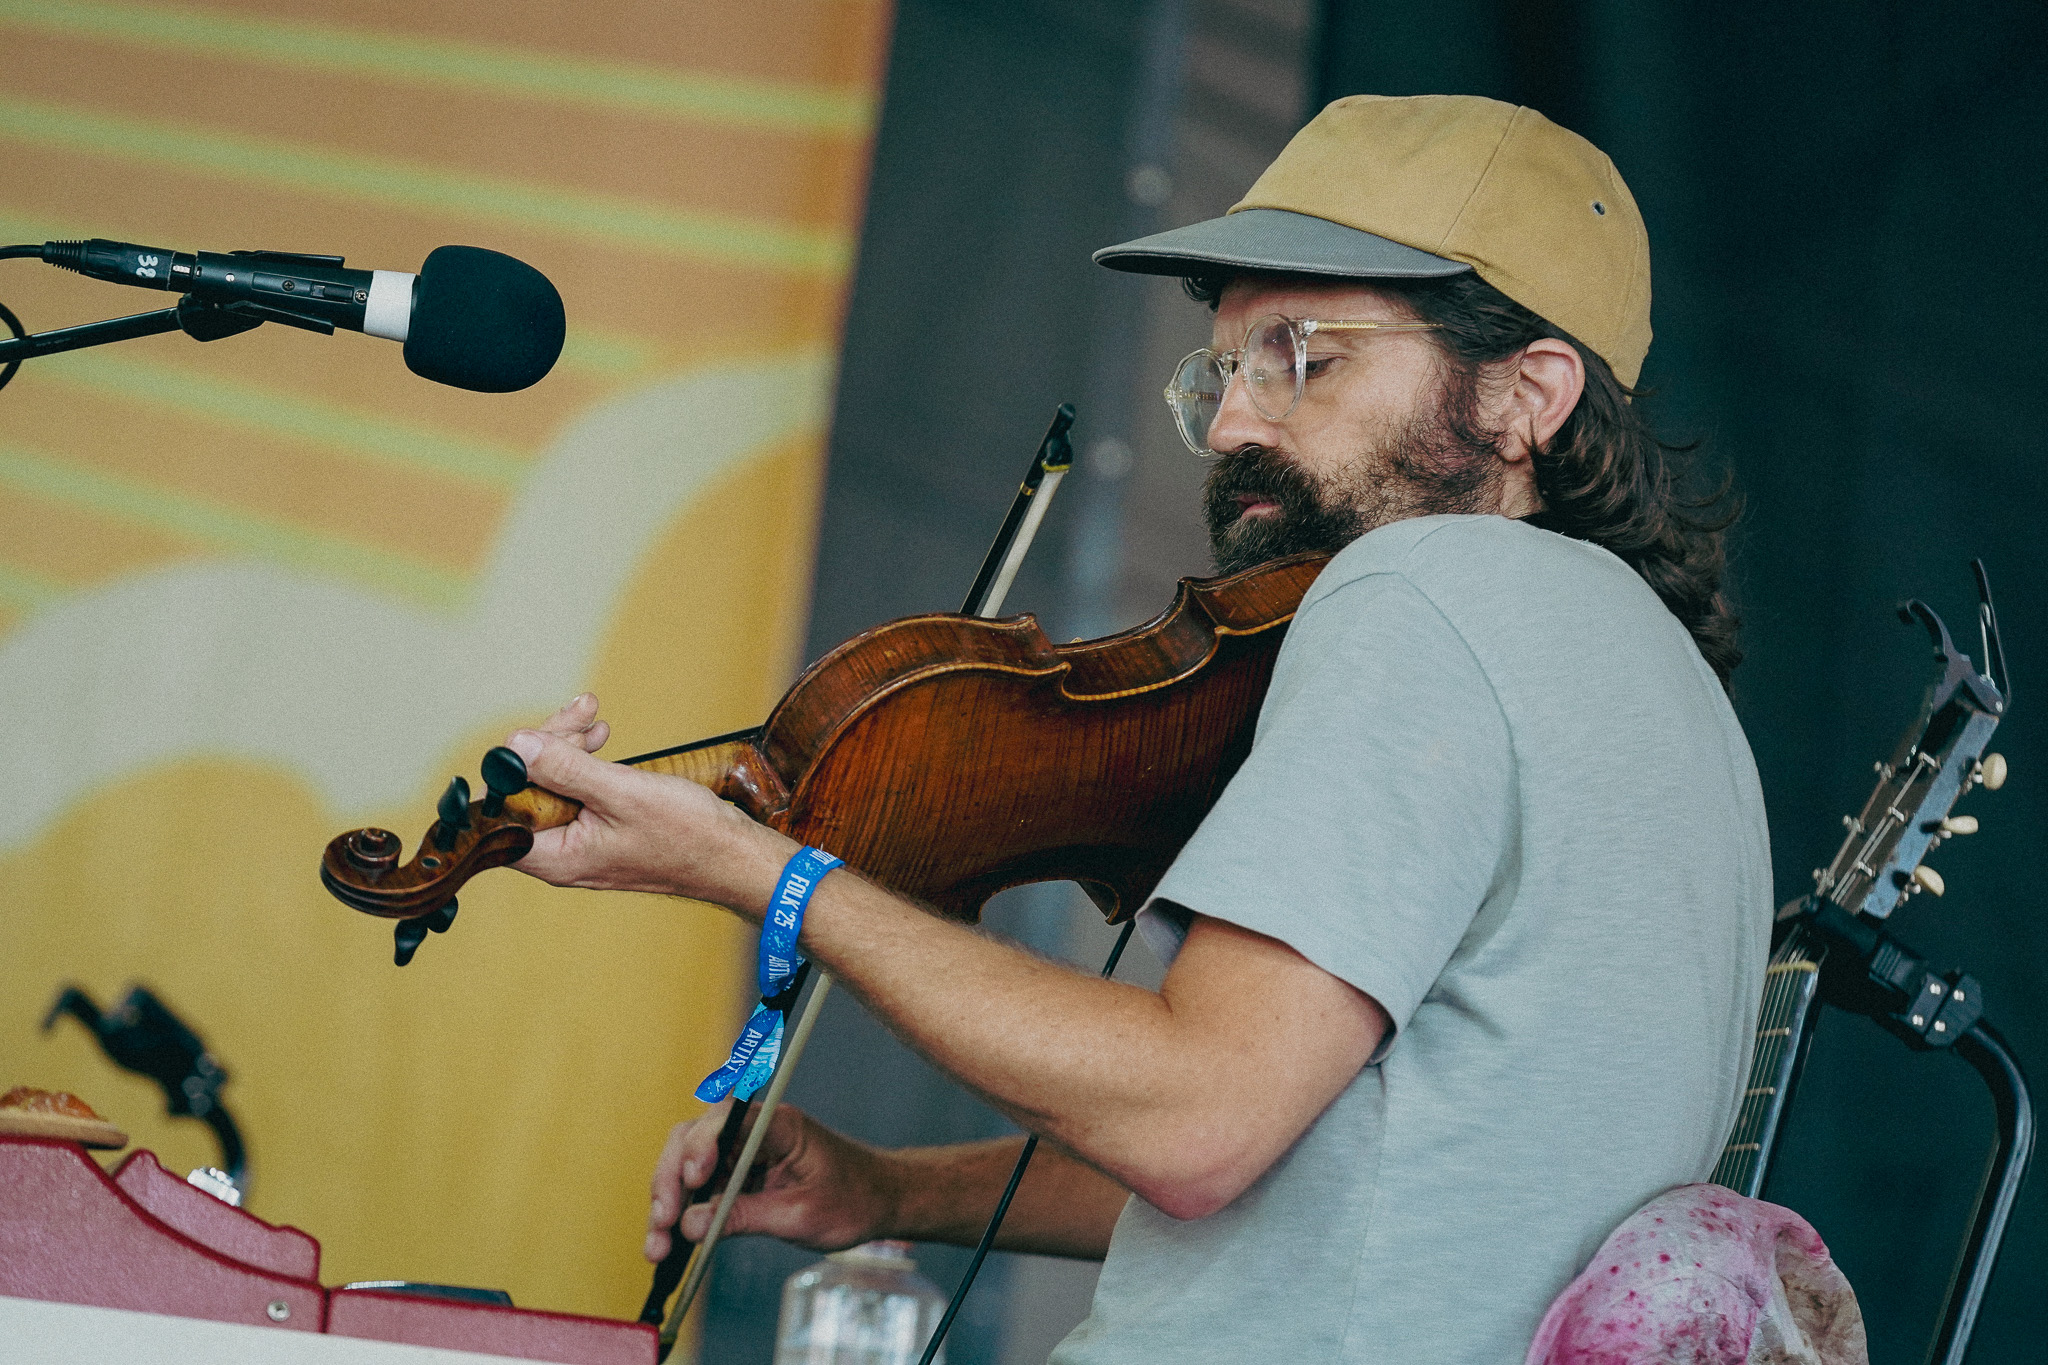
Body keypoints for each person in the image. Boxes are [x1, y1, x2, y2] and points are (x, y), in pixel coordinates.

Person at [502, 95, 1770, 1361]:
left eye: (1302, 359)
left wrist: (761, 874)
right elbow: (1325, 1165)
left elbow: (1198, 1124)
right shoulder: (1676, 702)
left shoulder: (1423, 587)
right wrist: (887, 1193)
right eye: (1223, 371)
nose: (1229, 425)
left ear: (1521, 398)